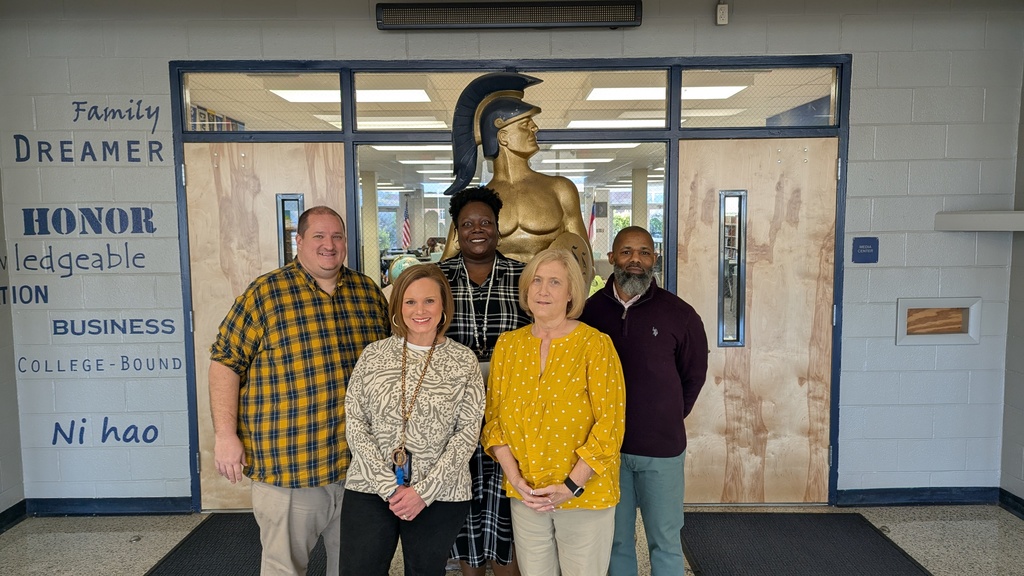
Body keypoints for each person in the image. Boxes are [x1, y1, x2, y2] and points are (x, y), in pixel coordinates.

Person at [209, 205, 390, 576]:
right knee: (284, 568)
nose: (329, 245)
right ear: (300, 241)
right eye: (319, 236)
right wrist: (225, 435)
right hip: (290, 467)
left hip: (358, 468)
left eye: (337, 236)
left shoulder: (367, 292)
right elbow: (225, 362)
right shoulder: (265, 293)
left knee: (356, 566)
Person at [482, 248, 626, 576]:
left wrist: (571, 486)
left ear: (572, 292)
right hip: (527, 497)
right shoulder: (508, 346)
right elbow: (494, 423)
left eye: (555, 282)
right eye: (537, 281)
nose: (543, 290)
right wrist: (516, 481)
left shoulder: (595, 345)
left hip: (585, 495)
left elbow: (611, 425)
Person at [579, 226, 709, 576]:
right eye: (626, 252)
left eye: (644, 252)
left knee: (665, 541)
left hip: (662, 451)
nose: (635, 259)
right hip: (606, 451)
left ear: (654, 259)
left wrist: (666, 416)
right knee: (616, 541)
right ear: (611, 259)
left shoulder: (680, 314)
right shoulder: (589, 314)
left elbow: (693, 375)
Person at [339, 264, 485, 576]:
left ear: (444, 304)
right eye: (410, 302)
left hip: (440, 492)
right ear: (397, 307)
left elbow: (468, 433)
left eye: (429, 301)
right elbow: (355, 422)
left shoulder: (464, 361)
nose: (420, 310)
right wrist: (387, 486)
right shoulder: (373, 355)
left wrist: (424, 491)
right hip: (371, 486)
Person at [439, 186, 531, 576]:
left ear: (498, 228)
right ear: (456, 231)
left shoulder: (523, 276)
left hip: (510, 415)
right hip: (451, 416)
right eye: (467, 224)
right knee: (463, 508)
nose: (477, 230)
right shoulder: (436, 278)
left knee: (504, 511)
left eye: (485, 223)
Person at [440, 72, 594, 284]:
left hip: (550, 306)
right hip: (498, 306)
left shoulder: (560, 189)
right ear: (503, 137)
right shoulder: (477, 204)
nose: (535, 128)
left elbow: (583, 257)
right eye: (525, 124)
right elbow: (447, 263)